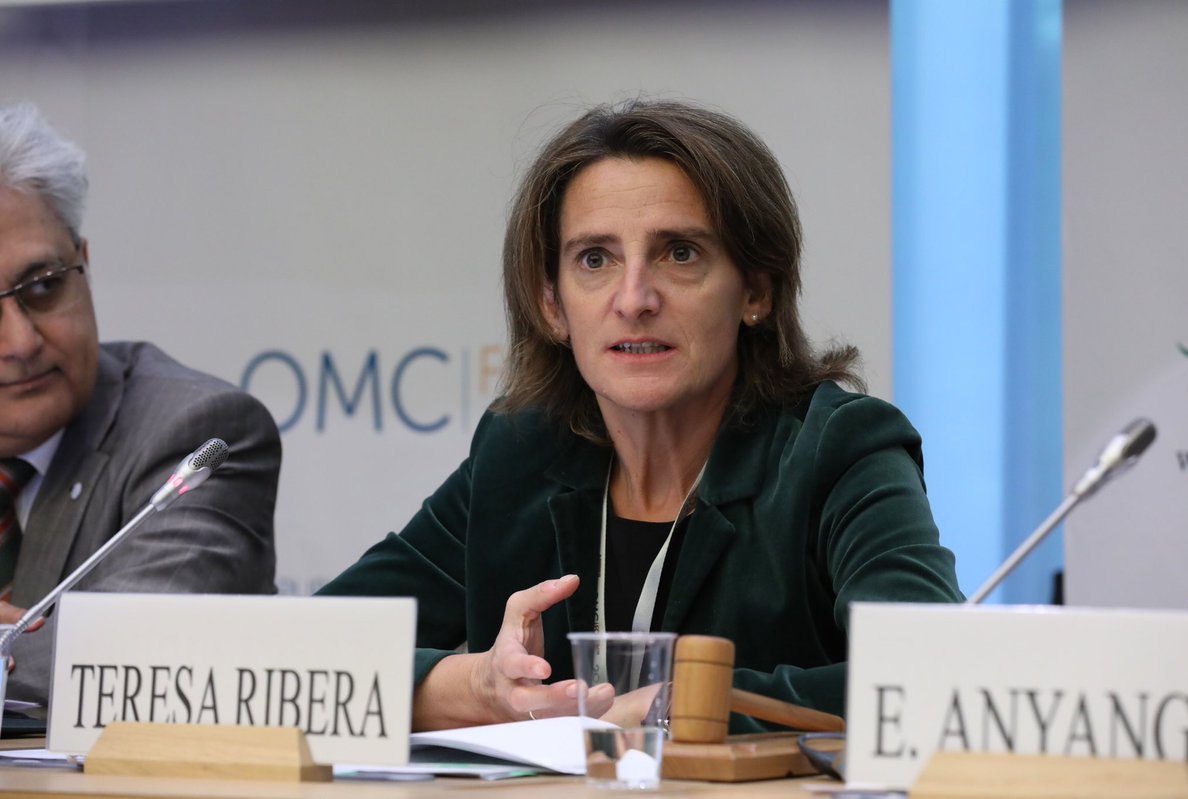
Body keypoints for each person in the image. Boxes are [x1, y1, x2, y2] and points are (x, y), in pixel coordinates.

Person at [319, 98, 963, 732]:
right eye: (594, 259)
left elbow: (933, 677)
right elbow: (304, 657)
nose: (634, 300)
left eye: (679, 253)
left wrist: (683, 707)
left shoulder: (839, 450)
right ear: (552, 304)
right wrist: (478, 689)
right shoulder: (522, 451)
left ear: (756, 291)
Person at [0, 102, 280, 705]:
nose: (20, 343)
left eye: (43, 287)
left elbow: (138, 660)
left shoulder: (196, 432)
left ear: (84, 263)